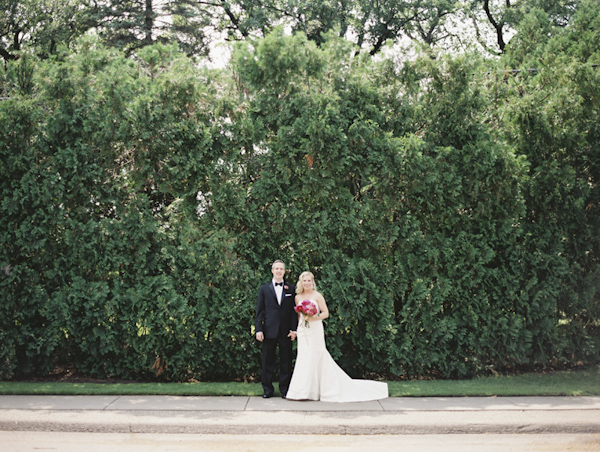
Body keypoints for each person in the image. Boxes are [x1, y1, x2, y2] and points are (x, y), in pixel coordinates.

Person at [286, 271, 388, 402]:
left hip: (315, 329)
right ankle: (303, 391)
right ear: (301, 282)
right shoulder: (298, 297)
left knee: (317, 355)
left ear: (312, 282)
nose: (306, 283)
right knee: (304, 357)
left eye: (309, 280)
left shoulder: (317, 296)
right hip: (303, 330)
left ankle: (321, 390)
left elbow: (326, 313)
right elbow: (299, 316)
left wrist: (314, 317)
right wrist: (297, 330)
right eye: (304, 281)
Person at [255, 260, 298, 398]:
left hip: (286, 331)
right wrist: (258, 329)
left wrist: (294, 329)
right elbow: (259, 311)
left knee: (286, 361)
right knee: (267, 361)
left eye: (281, 269)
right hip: (269, 330)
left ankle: (285, 389)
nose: (279, 271)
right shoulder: (264, 289)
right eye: (276, 268)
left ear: (284, 271)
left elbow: (293, 312)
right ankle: (267, 389)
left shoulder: (291, 289)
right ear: (272, 270)